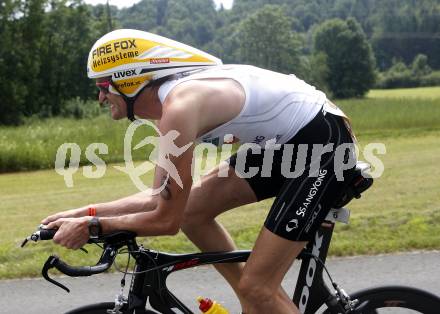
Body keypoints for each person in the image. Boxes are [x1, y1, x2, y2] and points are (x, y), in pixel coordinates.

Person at [42, 29, 356, 314]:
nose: (99, 97)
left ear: (130, 80)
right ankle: (260, 304)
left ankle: (259, 297)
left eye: (103, 86)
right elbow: (159, 197)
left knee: (257, 288)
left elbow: (166, 220)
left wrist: (93, 226)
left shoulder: (180, 108)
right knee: (195, 215)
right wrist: (84, 212)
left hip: (324, 145)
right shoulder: (171, 106)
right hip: (288, 142)